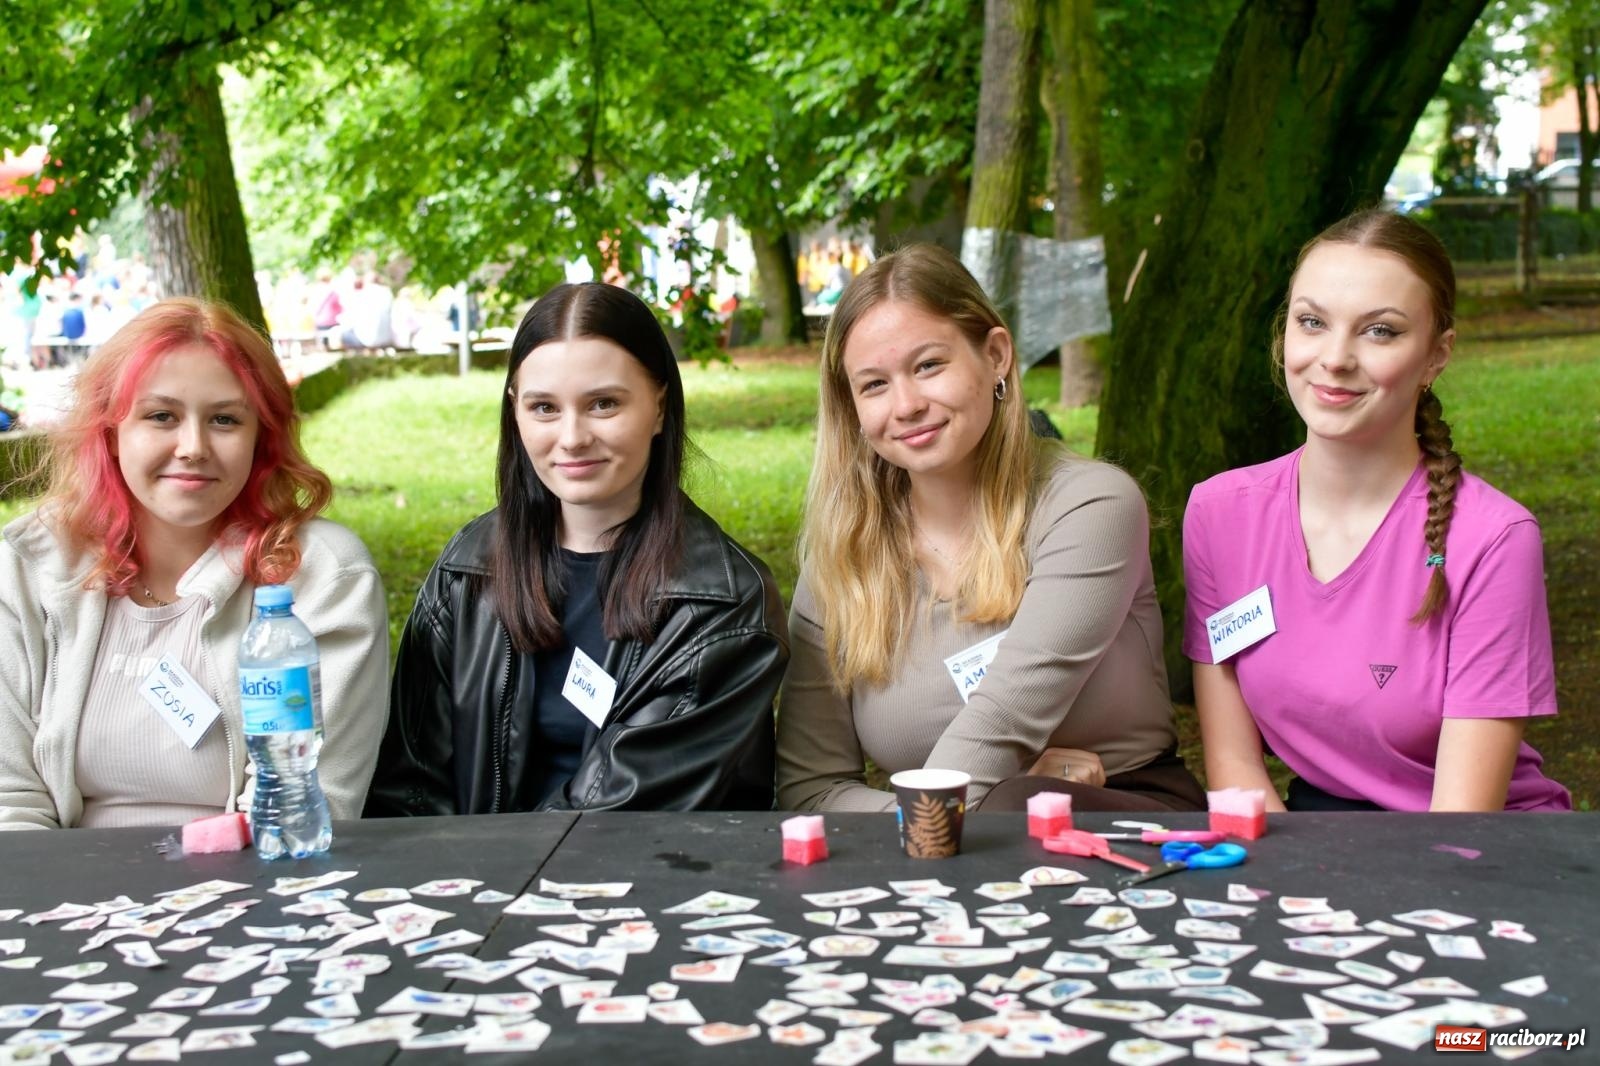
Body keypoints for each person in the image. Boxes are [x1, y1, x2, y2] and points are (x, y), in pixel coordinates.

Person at [777, 244, 1202, 813]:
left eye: (929, 365)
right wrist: (991, 799)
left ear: (995, 356)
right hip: (942, 841)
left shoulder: (1090, 505)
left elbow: (1002, 722)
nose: (905, 404)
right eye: (874, 385)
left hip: (1119, 820)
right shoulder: (841, 561)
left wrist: (1004, 799)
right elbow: (811, 791)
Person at [1183, 209, 1570, 813]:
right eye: (1312, 322)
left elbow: (1462, 824)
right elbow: (1235, 772)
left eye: (1380, 331)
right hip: (1313, 834)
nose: (1335, 358)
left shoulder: (1495, 538)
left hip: (1472, 854)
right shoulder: (1219, 514)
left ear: (1437, 356)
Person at [366, 282, 788, 815]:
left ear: (659, 408)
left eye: (603, 404)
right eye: (544, 407)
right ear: (515, 411)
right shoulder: (467, 569)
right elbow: (408, 787)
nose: (571, 437)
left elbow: (616, 819)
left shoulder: (720, 604)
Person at [0, 298, 389, 830]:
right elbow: (9, 808)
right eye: (161, 416)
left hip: (249, 897)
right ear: (110, 433)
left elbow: (298, 812)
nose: (193, 447)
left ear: (262, 438)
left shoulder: (322, 577)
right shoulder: (26, 570)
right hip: (61, 893)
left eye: (225, 419)